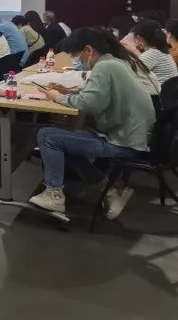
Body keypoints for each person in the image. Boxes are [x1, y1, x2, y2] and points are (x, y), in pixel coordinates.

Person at [34, 28, 156, 218]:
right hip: (132, 136)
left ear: (88, 50)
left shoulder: (105, 67)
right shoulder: (116, 63)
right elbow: (96, 94)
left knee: (47, 135)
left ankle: (54, 194)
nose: (76, 60)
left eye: (76, 55)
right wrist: (69, 92)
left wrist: (57, 97)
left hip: (122, 141)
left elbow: (89, 104)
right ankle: (107, 188)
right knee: (64, 138)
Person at [130, 20, 178, 86]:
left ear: (139, 38)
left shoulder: (149, 55)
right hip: (169, 90)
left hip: (158, 91)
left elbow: (131, 77)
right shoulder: (163, 52)